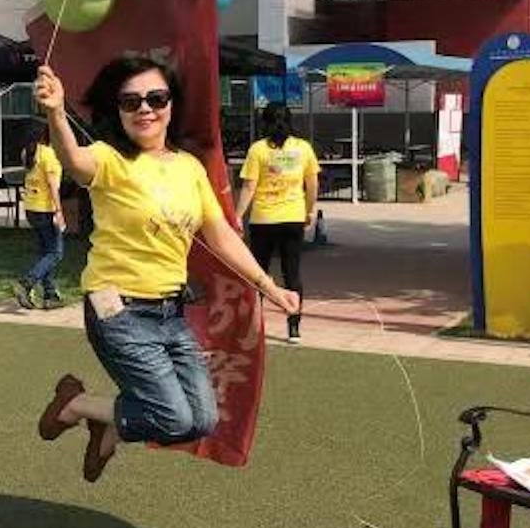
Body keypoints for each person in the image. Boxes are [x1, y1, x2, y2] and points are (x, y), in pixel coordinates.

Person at [32, 54, 299, 484]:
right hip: (116, 310)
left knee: (202, 420)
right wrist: (57, 113)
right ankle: (76, 406)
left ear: (171, 105)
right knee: (173, 419)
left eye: (156, 97)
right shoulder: (108, 158)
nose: (145, 109)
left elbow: (222, 236)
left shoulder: (189, 168)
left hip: (171, 314)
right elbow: (74, 162)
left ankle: (107, 425)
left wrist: (270, 287)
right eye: (130, 101)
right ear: (117, 109)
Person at [237, 102, 319, 343]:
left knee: (258, 273)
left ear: (265, 121)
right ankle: (294, 328)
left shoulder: (258, 150)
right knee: (291, 273)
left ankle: (254, 327)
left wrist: (237, 215)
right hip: (293, 217)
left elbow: (249, 185)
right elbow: (312, 184)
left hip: (263, 219)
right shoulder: (303, 148)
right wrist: (309, 211)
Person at [13, 123, 65, 311]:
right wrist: (59, 211)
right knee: (55, 253)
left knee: (45, 252)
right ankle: (28, 282)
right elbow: (52, 186)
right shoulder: (48, 154)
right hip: (46, 208)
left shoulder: (27, 153)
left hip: (31, 208)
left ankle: (50, 294)